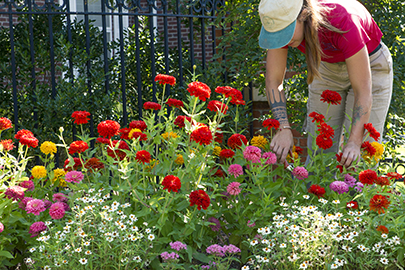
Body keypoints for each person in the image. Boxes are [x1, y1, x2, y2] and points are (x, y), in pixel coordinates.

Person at [258, 0, 393, 168]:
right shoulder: (281, 19)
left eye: (285, 32)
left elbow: (363, 91)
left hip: (371, 65)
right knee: (319, 156)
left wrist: (354, 142)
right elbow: (274, 80)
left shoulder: (343, 21)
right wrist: (283, 127)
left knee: (360, 162)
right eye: (276, 34)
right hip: (327, 66)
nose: (281, 39)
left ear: (303, 15)